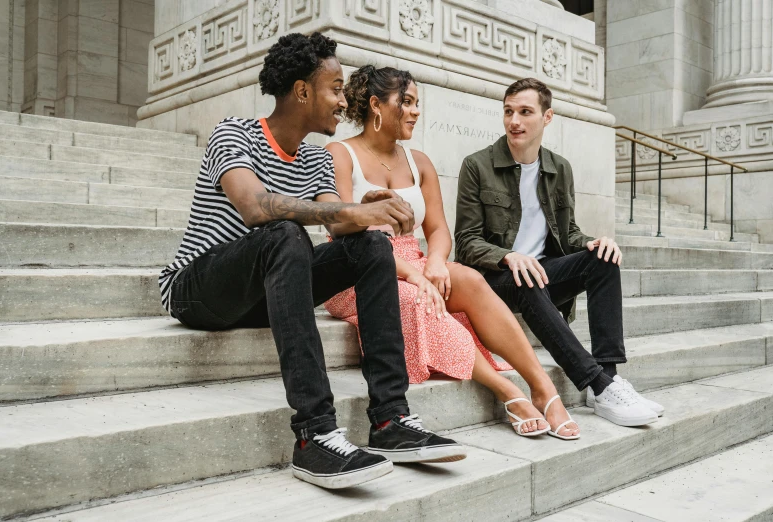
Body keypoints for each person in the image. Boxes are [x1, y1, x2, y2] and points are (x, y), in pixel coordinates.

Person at [158, 33, 466, 490]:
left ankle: (389, 419)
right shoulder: (233, 133)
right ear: (302, 91)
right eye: (336, 88)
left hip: (261, 294)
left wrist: (368, 205)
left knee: (373, 245)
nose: (344, 101)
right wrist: (349, 210)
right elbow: (255, 207)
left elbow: (340, 225)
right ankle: (314, 434)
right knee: (282, 232)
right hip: (197, 291)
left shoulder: (316, 160)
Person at [324, 65, 580, 440]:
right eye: (406, 102)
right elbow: (337, 226)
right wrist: (413, 273)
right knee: (416, 297)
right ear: (376, 105)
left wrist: (436, 263)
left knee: (471, 280)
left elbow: (439, 230)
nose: (415, 111)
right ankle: (505, 389)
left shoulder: (420, 162)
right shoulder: (340, 153)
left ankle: (542, 386)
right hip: (355, 266)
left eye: (416, 103)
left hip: (414, 258)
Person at [454, 77, 664, 428]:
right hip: (494, 279)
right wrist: (508, 256)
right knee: (527, 274)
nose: (514, 121)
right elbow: (467, 241)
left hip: (539, 271)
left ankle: (608, 383)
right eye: (508, 111)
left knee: (603, 260)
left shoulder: (558, 168)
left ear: (547, 117)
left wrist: (592, 243)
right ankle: (595, 381)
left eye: (525, 112)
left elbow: (567, 234)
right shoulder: (477, 166)